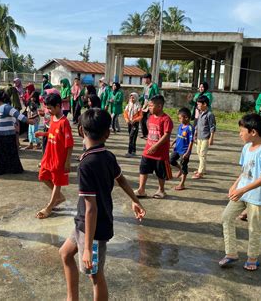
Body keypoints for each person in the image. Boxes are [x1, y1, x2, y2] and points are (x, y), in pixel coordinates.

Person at [59, 108, 146, 301]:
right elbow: (121, 179)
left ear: (81, 130)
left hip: (94, 230)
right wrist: (135, 201)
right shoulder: (107, 155)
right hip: (83, 225)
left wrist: (88, 248)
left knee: (95, 275)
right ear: (107, 133)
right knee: (65, 253)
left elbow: (92, 208)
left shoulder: (86, 164)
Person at [219, 113, 261, 271]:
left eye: (242, 131)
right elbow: (245, 171)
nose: (240, 134)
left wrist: (242, 189)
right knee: (226, 217)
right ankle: (231, 253)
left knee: (254, 227)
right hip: (242, 193)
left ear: (253, 132)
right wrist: (235, 185)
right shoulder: (246, 148)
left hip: (256, 197)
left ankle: (252, 257)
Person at [34, 93, 74, 219]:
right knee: (43, 176)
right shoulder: (52, 119)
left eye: (50, 108)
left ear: (58, 106)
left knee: (57, 182)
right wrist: (43, 134)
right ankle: (59, 197)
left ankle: (50, 207)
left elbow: (69, 144)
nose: (48, 111)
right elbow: (53, 133)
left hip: (59, 157)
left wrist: (67, 162)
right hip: (49, 155)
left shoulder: (64, 122)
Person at [134, 95, 173, 199]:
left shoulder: (166, 119)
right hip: (148, 150)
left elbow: (166, 135)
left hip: (160, 153)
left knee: (160, 172)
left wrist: (155, 146)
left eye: (151, 106)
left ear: (159, 106)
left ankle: (161, 190)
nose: (149, 108)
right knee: (143, 169)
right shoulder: (150, 117)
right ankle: (141, 189)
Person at [0, 90, 34, 175]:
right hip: (0, 136)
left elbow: (19, 116)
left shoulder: (6, 107)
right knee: (4, 154)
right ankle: (3, 169)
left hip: (6, 136)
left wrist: (29, 121)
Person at [170, 108, 194, 190]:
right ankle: (180, 169)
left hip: (184, 151)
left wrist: (187, 152)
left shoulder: (190, 128)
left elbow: (191, 141)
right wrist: (173, 142)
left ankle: (182, 184)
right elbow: (178, 136)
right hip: (177, 149)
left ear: (186, 118)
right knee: (171, 160)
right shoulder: (180, 126)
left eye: (180, 118)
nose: (179, 120)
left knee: (184, 166)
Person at [192, 95, 216, 179]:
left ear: (205, 104)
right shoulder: (200, 113)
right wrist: (195, 133)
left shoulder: (210, 115)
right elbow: (198, 125)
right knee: (199, 153)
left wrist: (211, 138)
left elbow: (212, 127)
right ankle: (202, 169)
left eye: (199, 104)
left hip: (206, 137)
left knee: (202, 153)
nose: (198, 106)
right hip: (199, 137)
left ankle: (200, 172)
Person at [139, 73, 160, 139]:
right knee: (142, 120)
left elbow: (157, 95)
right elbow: (143, 95)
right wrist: (138, 100)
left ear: (149, 79)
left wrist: (153, 102)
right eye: (143, 79)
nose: (144, 80)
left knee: (149, 120)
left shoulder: (154, 86)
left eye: (145, 79)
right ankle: (144, 134)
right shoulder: (145, 86)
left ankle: (149, 134)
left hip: (151, 106)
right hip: (145, 105)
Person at [123, 92, 142, 157]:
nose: (132, 99)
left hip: (135, 124)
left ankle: (129, 152)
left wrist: (135, 120)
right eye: (131, 97)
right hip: (129, 123)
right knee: (132, 138)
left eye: (133, 97)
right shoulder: (128, 105)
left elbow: (141, 116)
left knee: (131, 137)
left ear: (136, 98)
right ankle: (134, 151)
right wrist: (127, 119)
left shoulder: (138, 106)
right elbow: (125, 113)